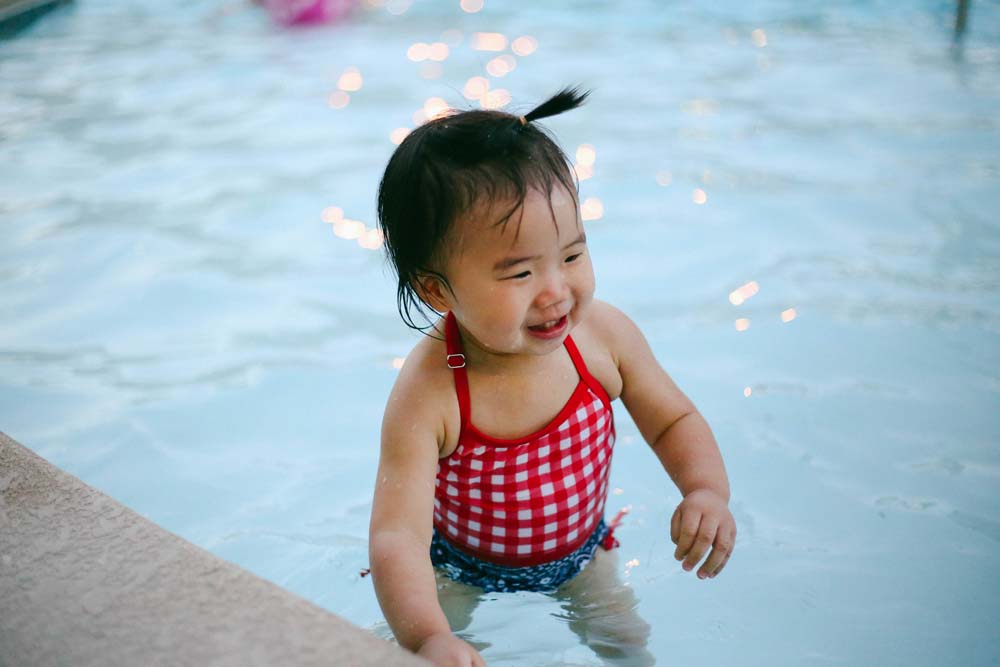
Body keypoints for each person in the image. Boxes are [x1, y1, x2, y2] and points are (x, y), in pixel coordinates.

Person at [368, 87, 735, 667]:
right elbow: (398, 537)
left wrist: (705, 490)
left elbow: (674, 420)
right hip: (459, 568)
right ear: (437, 289)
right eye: (519, 273)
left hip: (582, 557)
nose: (556, 292)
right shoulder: (432, 391)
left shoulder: (602, 340)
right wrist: (428, 636)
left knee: (630, 649)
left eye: (570, 256)